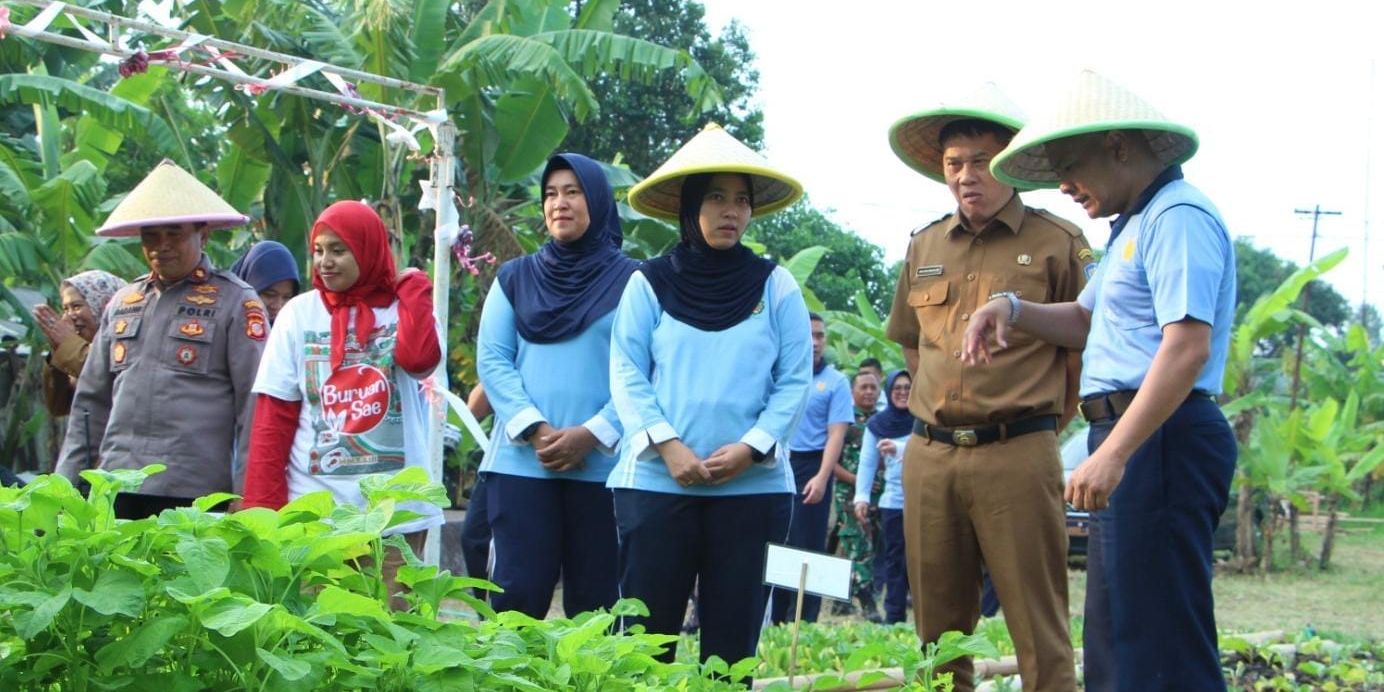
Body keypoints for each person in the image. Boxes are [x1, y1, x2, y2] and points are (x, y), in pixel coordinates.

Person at [976, 70, 1237, 692]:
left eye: (1070, 164)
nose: (1063, 184)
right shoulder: (1133, 228)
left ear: (1120, 146)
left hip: (1160, 437)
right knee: (1123, 633)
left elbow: (1186, 347)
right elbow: (1083, 319)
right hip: (1135, 436)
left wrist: (1117, 452)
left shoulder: (1178, 216)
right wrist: (1012, 308)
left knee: (1161, 637)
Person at [884, 84, 1087, 691]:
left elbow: (1084, 342)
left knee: (1037, 620)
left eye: (980, 161)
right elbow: (911, 341)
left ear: (1007, 164)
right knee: (937, 630)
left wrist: (1043, 424)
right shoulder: (924, 244)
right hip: (930, 455)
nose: (966, 175)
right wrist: (940, 407)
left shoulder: (1058, 242)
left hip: (1018, 451)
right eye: (954, 164)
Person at [610, 123, 810, 667]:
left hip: (753, 490)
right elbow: (626, 372)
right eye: (717, 197)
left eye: (741, 200)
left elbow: (795, 380)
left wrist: (751, 447)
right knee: (645, 647)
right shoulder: (647, 283)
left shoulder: (777, 285)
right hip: (656, 483)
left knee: (731, 649)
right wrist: (668, 446)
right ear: (691, 205)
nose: (731, 211)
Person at [241, 200, 443, 609]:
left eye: (338, 250)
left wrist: (415, 290)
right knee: (319, 635)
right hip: (316, 513)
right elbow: (273, 421)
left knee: (392, 634)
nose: (325, 262)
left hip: (395, 515)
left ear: (367, 250)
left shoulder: (405, 307)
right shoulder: (299, 315)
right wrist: (263, 513)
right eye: (318, 250)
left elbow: (420, 360)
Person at [476, 153, 638, 618]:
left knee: (596, 609)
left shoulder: (632, 282)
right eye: (550, 194)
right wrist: (534, 428)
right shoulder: (514, 278)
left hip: (603, 467)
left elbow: (644, 368)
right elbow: (494, 360)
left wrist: (593, 433)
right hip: (523, 464)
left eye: (573, 192)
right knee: (516, 600)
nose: (559, 203)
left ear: (599, 201)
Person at [55, 161, 265, 518]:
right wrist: (65, 487)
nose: (161, 246)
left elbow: (254, 406)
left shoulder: (236, 301)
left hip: (198, 493)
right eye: (151, 235)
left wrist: (248, 494)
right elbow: (90, 403)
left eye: (174, 233)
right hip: (118, 486)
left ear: (203, 233)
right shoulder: (123, 303)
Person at [769, 313, 852, 624]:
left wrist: (822, 476)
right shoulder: (781, 374)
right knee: (778, 543)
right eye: (810, 335)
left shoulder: (836, 382)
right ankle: (774, 620)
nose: (815, 343)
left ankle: (805, 622)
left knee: (809, 544)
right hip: (778, 463)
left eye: (820, 336)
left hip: (814, 466)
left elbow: (836, 434)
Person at [853, 370, 913, 624]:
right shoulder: (878, 424)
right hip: (894, 502)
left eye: (908, 387)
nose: (902, 392)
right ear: (888, 392)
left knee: (926, 563)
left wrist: (899, 448)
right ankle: (895, 619)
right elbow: (867, 462)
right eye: (897, 387)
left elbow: (930, 448)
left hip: (925, 502)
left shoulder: (926, 418)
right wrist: (862, 496)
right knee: (895, 562)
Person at [32, 270, 127, 417]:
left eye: (76, 306)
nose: (70, 316)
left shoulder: (128, 341)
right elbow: (59, 407)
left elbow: (103, 374)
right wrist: (57, 350)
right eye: (65, 309)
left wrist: (68, 344)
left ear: (103, 304)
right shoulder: (77, 351)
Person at [828, 369, 882, 620]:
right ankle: (869, 604)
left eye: (873, 387)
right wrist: (858, 481)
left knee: (868, 546)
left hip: (880, 496)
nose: (869, 392)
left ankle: (841, 601)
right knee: (857, 545)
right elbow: (831, 462)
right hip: (848, 496)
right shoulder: (845, 422)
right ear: (853, 392)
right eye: (864, 387)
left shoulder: (884, 422)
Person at [230, 240, 301, 324]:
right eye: (270, 295)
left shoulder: (297, 329)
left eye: (287, 297)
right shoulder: (222, 322)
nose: (277, 306)